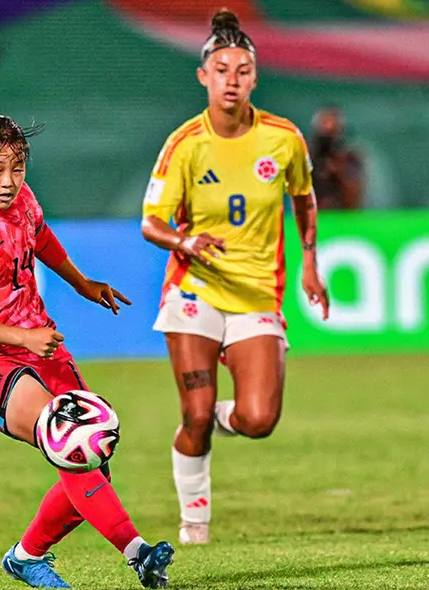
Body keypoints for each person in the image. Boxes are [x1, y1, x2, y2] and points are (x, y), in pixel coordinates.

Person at [0, 114, 174, 589]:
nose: (8, 180)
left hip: (40, 343)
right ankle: (138, 552)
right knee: (68, 439)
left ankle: (25, 557)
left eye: (18, 168)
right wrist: (20, 338)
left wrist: (82, 284)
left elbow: (38, 235)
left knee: (92, 452)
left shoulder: (22, 199)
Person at [140, 10, 330, 545]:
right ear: (203, 76)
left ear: (254, 77)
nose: (232, 79)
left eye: (242, 70)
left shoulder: (283, 138)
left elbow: (304, 198)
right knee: (196, 413)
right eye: (221, 69)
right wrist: (185, 241)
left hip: (255, 297)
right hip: (194, 291)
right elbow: (151, 222)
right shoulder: (185, 145)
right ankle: (194, 523)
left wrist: (310, 261)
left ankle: (201, 422)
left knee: (258, 418)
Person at [310, 105, 364, 210]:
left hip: (342, 218)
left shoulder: (350, 158)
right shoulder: (307, 157)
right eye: (324, 128)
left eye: (333, 130)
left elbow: (355, 200)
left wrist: (339, 172)